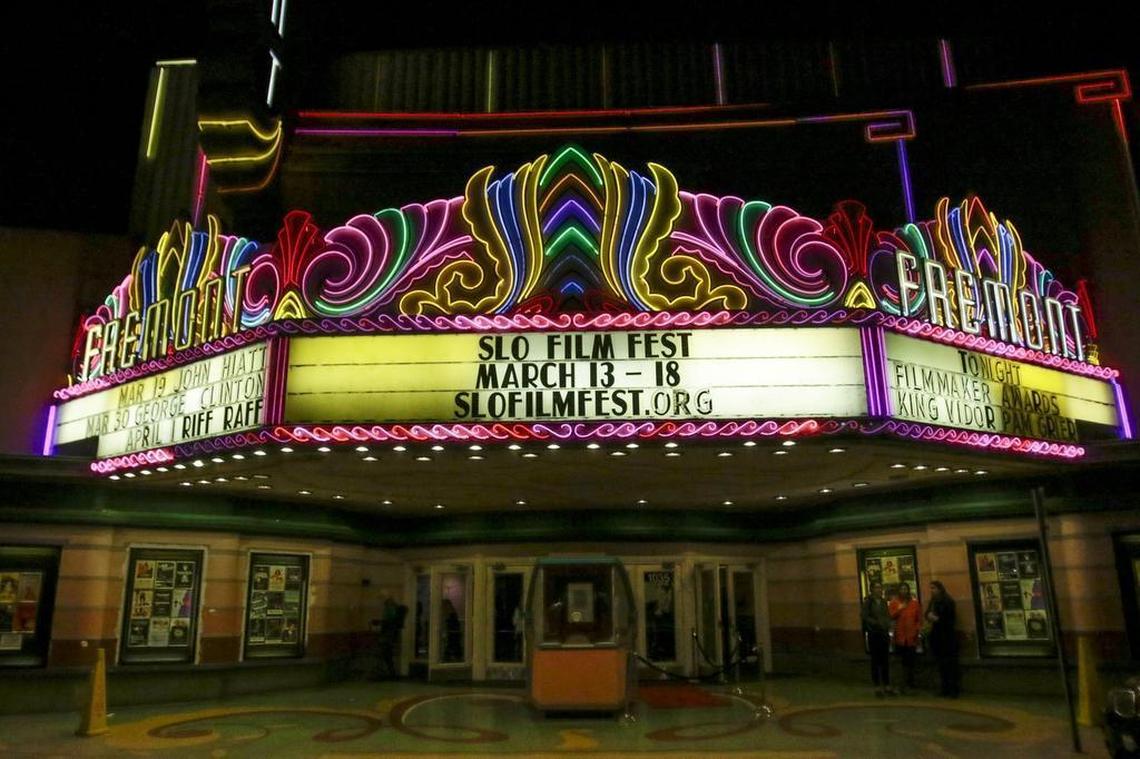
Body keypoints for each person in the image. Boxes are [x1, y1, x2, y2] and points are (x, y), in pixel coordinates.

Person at [926, 580, 959, 697]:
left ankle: (953, 689)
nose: (931, 590)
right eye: (930, 588)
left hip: (947, 636)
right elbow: (927, 613)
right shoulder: (933, 601)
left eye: (933, 588)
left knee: (949, 664)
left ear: (940, 589)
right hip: (937, 636)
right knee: (941, 665)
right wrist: (929, 616)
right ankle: (944, 688)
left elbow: (950, 619)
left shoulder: (947, 601)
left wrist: (937, 619)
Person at [861, 580, 894, 696]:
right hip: (874, 634)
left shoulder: (884, 602)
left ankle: (887, 685)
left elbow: (887, 615)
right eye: (877, 588)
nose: (879, 590)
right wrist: (875, 623)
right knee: (875, 661)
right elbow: (865, 616)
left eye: (880, 588)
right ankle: (877, 686)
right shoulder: (868, 602)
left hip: (884, 634)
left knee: (885, 660)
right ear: (872, 590)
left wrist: (887, 624)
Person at [889, 582, 922, 691]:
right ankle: (902, 683)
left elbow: (918, 619)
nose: (904, 591)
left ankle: (911, 683)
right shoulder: (894, 603)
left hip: (911, 637)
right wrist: (899, 609)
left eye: (905, 589)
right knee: (901, 662)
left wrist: (916, 630)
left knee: (911, 662)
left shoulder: (914, 604)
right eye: (902, 589)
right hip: (900, 638)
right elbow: (891, 616)